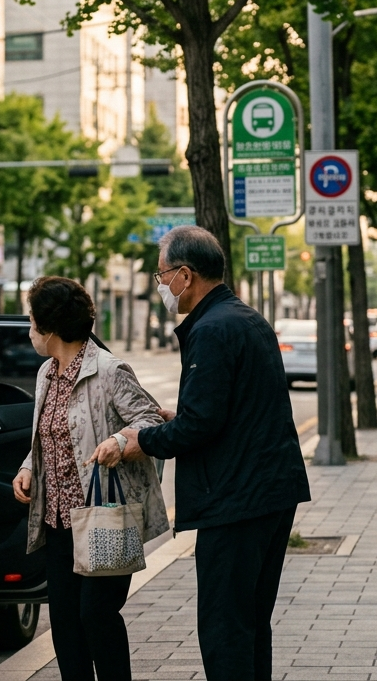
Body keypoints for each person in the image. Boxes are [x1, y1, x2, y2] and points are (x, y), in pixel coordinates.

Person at [116, 226, 310, 681]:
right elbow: (234, 408)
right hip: (269, 494)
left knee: (225, 630)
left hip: (236, 499)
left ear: (186, 275)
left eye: (162, 275)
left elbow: (202, 426)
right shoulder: (246, 318)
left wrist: (137, 442)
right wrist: (179, 417)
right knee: (250, 624)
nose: (160, 284)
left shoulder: (211, 329)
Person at [10, 276, 169, 681]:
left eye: (32, 321)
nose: (30, 330)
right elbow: (48, 435)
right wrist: (29, 466)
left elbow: (151, 421)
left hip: (105, 517)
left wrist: (119, 440)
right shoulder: (47, 372)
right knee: (64, 625)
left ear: (49, 327)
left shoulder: (110, 370)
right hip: (58, 521)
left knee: (96, 615)